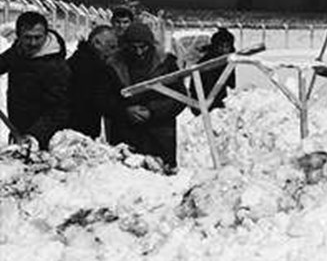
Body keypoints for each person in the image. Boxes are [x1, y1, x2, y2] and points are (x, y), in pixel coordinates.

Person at [107, 22, 185, 169]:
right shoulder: (113, 65)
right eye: (133, 47)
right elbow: (105, 99)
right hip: (126, 135)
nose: (139, 52)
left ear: (151, 44)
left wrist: (152, 111)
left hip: (160, 136)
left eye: (143, 47)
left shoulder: (166, 64)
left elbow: (180, 98)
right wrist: (124, 110)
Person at [0, 11, 71, 150]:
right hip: (19, 132)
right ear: (18, 36)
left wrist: (35, 136)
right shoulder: (18, 51)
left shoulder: (55, 66)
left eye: (38, 37)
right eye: (27, 37)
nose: (33, 43)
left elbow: (59, 110)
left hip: (46, 140)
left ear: (46, 34)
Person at [67, 25, 123, 139]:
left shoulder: (73, 61)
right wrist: (125, 110)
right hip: (84, 129)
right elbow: (102, 100)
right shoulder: (98, 69)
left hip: (69, 129)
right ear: (97, 43)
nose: (114, 52)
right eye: (111, 47)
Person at [188, 28, 236, 114]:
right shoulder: (207, 63)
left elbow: (231, 84)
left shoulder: (228, 60)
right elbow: (201, 88)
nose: (224, 50)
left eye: (227, 47)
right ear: (215, 46)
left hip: (218, 103)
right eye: (221, 46)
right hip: (203, 104)